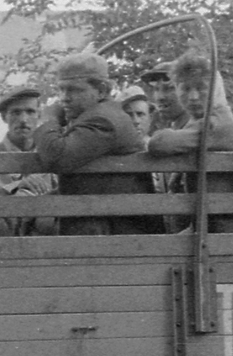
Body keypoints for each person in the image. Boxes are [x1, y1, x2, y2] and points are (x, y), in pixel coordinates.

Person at [35, 53, 161, 236]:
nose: (64, 98)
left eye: (73, 90)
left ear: (101, 90)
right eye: (61, 90)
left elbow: (56, 157)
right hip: (111, 227)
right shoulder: (102, 115)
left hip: (116, 235)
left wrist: (47, 119)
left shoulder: (103, 120)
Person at [146, 51, 233, 233]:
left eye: (201, 88)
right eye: (185, 88)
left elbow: (159, 144)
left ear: (215, 89)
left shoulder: (215, 122)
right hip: (215, 226)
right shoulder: (200, 121)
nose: (193, 97)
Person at [0, 86, 55, 235]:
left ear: (39, 115)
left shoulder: (52, 156)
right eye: (15, 112)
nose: (23, 120)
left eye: (30, 112)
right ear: (4, 117)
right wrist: (17, 186)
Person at [139, 62, 187, 131]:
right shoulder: (169, 127)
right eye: (156, 89)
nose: (160, 97)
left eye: (169, 88)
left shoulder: (198, 130)